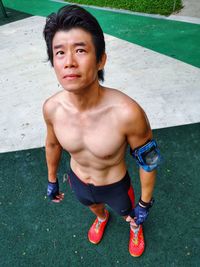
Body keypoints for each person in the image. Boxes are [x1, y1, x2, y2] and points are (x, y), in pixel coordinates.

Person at [43, 5, 161, 257]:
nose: (69, 62)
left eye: (80, 50)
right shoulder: (52, 108)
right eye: (60, 52)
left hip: (115, 185)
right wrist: (52, 179)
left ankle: (134, 227)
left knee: (129, 214)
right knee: (92, 206)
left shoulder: (127, 113)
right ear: (53, 61)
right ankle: (101, 216)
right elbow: (52, 145)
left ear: (101, 60)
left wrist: (144, 203)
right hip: (78, 181)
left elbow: (148, 162)